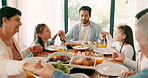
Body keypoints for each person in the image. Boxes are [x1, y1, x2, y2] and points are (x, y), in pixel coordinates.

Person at [0, 6, 43, 78]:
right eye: (17, 20)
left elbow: (15, 58)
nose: (20, 23)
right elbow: (2, 63)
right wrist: (26, 65)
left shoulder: (11, 38)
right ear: (5, 20)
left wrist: (30, 50)